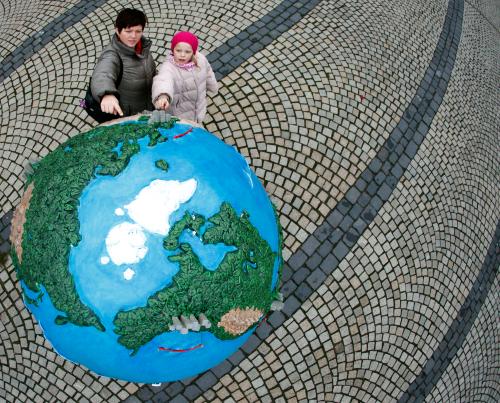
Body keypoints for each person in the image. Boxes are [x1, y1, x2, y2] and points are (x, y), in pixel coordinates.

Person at [90, 8, 156, 117]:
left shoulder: (142, 47)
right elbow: (103, 74)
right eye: (128, 31)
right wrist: (107, 94)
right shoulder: (112, 54)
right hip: (130, 115)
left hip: (149, 107)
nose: (133, 36)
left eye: (138, 31)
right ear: (117, 30)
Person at [152, 31, 218, 123]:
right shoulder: (169, 67)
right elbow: (163, 80)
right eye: (178, 50)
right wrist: (163, 96)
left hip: (198, 109)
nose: (182, 55)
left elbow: (208, 73)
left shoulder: (201, 59)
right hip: (180, 115)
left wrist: (213, 86)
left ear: (193, 52)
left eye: (187, 51)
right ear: (173, 50)